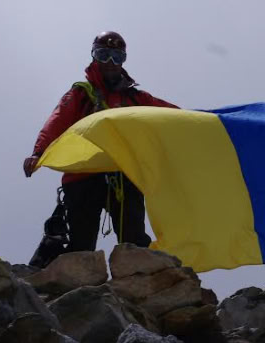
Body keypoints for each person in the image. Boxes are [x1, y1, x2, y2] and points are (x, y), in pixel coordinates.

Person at [23, 31, 177, 265]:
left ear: (123, 60)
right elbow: (58, 120)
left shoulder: (136, 98)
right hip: (83, 176)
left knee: (133, 238)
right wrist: (38, 152)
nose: (110, 63)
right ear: (94, 57)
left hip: (122, 175)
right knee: (81, 246)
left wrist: (205, 122)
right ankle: (75, 290)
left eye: (116, 56)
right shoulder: (81, 93)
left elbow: (171, 116)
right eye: (103, 55)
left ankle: (141, 285)